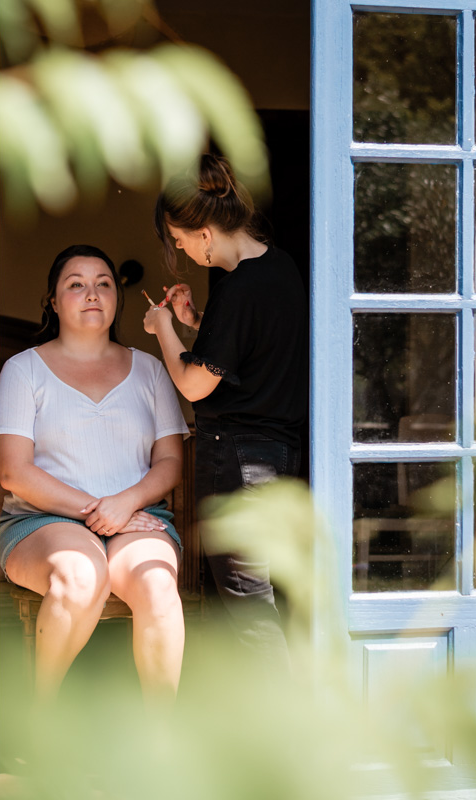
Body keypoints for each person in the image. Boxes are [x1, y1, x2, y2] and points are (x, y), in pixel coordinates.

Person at [0, 244, 189, 701]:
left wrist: (125, 505)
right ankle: (42, 723)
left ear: (116, 299)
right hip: (43, 521)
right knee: (80, 576)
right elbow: (13, 472)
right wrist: (100, 510)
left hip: (136, 517)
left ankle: (161, 741)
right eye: (76, 284)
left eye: (103, 284)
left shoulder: (151, 371)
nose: (92, 294)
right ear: (52, 299)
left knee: (158, 583)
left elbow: (170, 463)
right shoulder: (23, 370)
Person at [142, 154, 308, 671]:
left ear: (204, 232)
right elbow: (246, 358)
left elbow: (194, 385)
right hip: (281, 460)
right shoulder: (280, 267)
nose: (185, 252)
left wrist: (163, 328)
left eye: (182, 239)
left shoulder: (237, 287)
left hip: (236, 463)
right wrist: (195, 324)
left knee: (247, 605)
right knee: (266, 599)